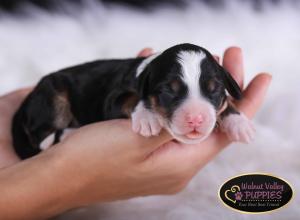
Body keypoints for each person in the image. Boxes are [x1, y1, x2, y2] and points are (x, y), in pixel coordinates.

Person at [0, 47, 271, 219]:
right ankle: (46, 136)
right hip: (62, 93)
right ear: (147, 89)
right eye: (170, 93)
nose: (196, 118)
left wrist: (230, 115)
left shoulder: (180, 86)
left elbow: (222, 98)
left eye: (212, 91)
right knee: (54, 96)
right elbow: (115, 103)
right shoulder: (136, 85)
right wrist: (59, 178)